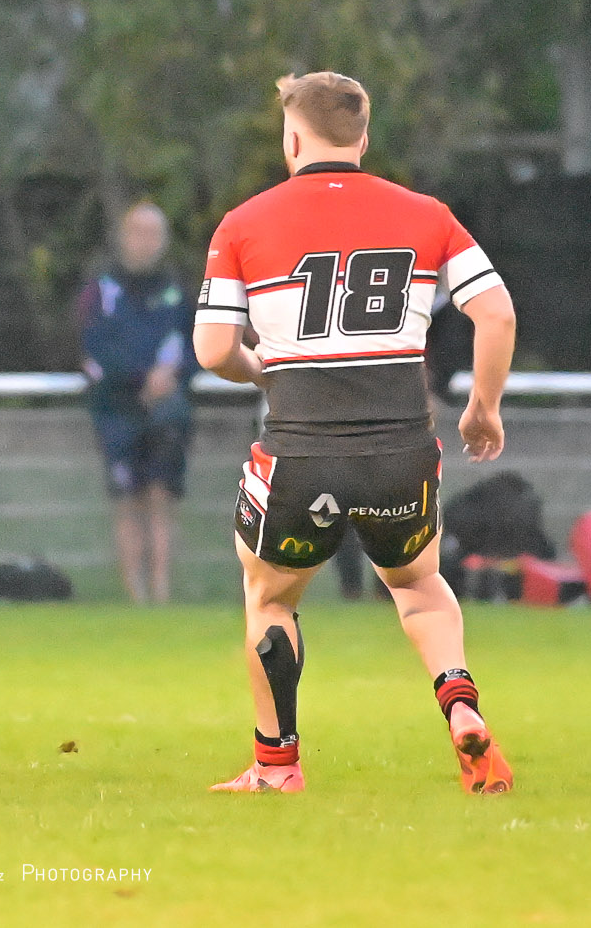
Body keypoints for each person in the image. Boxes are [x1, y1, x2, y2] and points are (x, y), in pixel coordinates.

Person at [193, 71, 518, 796]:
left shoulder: (243, 223)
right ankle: (459, 704)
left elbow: (212, 350)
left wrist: (261, 371)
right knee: (420, 588)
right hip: (401, 451)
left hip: (300, 451)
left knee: (271, 599)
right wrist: (484, 407)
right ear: (363, 138)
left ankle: (277, 765)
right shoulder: (428, 215)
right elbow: (496, 313)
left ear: (292, 139)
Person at [78, 202, 196, 603]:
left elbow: (197, 344)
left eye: (154, 233)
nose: (146, 242)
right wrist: (138, 379)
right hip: (116, 409)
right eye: (138, 232)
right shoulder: (101, 290)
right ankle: (135, 598)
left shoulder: (177, 290)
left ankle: (161, 595)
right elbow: (93, 347)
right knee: (126, 500)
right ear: (123, 237)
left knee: (162, 497)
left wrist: (172, 376)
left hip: (167, 411)